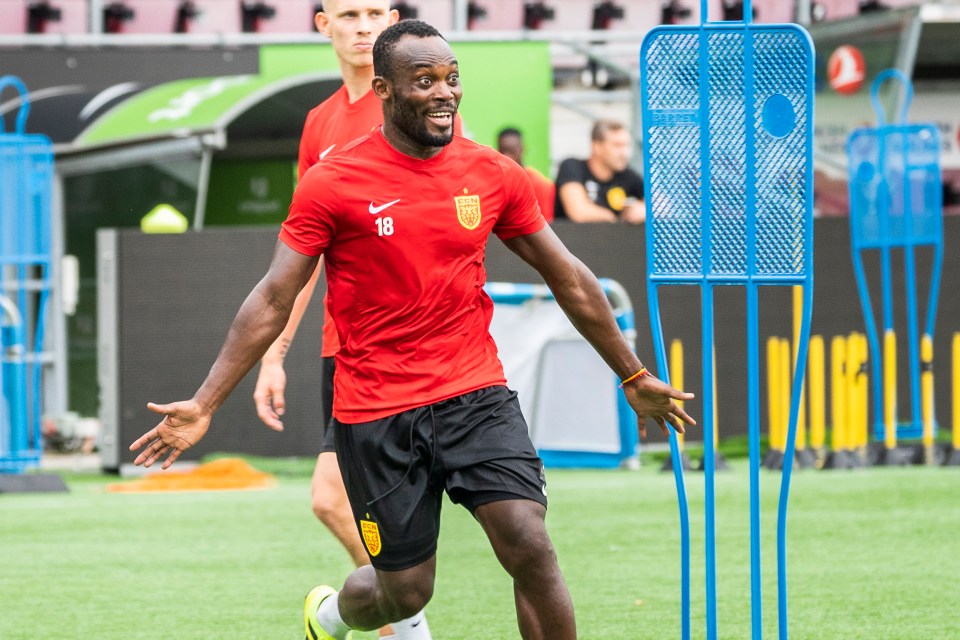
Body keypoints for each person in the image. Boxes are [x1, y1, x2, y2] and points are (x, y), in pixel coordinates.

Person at [131, 20, 695, 640]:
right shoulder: (333, 181)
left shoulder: (492, 173)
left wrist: (633, 373)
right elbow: (272, 296)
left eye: (451, 79)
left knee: (529, 542)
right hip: (377, 411)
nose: (443, 92)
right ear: (385, 90)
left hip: (476, 395)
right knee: (403, 593)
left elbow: (572, 279)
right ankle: (333, 616)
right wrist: (205, 402)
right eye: (423, 81)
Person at [251, 1, 448, 638]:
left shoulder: (417, 106)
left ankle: (371, 620)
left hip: (425, 351)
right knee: (330, 499)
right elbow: (300, 255)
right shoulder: (319, 125)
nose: (364, 26)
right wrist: (275, 353)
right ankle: (395, 622)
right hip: (351, 351)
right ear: (323, 25)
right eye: (349, 14)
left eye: (374, 12)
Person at [554, 119, 646, 223]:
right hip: (569, 238)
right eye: (617, 145)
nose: (624, 153)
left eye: (626, 145)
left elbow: (660, 204)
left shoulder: (627, 175)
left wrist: (644, 209)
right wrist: (614, 218)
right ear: (596, 146)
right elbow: (578, 212)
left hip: (612, 239)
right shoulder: (572, 166)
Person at [496, 126, 555, 222]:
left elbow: (547, 223)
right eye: (503, 151)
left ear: (522, 149)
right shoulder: (493, 181)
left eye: (512, 151)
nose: (507, 156)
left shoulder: (540, 184)